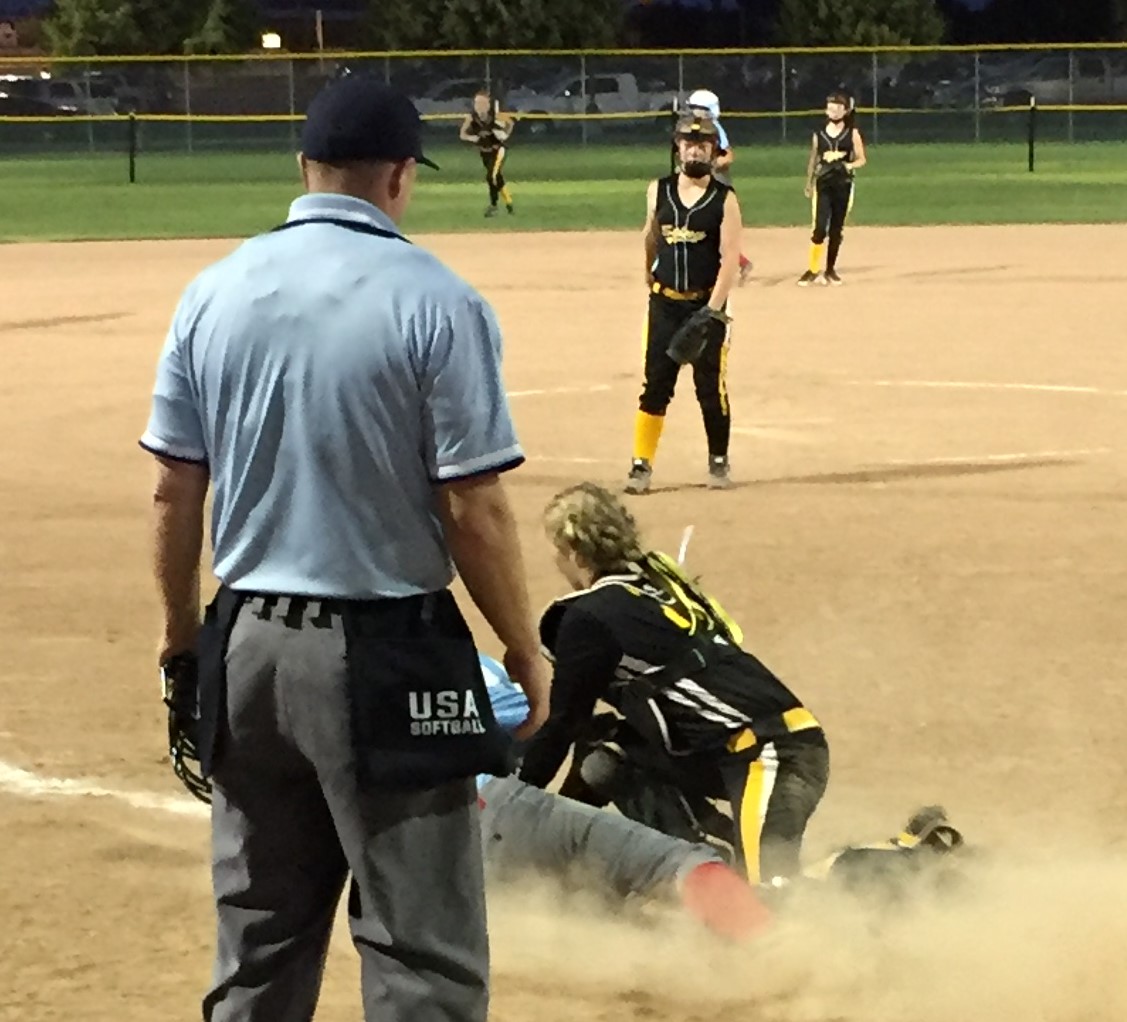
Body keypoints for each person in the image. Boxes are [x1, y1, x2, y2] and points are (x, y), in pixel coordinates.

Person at [140, 73, 549, 1022]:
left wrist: (181, 642)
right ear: (401, 175)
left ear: (304, 168)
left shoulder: (212, 291)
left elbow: (172, 488)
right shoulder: (436, 299)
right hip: (387, 647)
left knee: (259, 944)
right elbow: (473, 507)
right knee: (421, 950)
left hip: (243, 642)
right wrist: (523, 648)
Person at [518, 482, 830, 888]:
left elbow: (562, 723)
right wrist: (556, 829)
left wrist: (518, 803)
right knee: (607, 754)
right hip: (738, 748)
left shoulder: (589, 617)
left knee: (770, 894)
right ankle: (708, 852)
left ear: (573, 550)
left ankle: (904, 855)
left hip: (773, 751)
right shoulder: (659, 588)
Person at [475, 653, 773, 942]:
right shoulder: (469, 666)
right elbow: (543, 717)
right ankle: (768, 940)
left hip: (443, 858)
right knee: (676, 862)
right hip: (490, 808)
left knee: (583, 902)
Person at [628, 111, 743, 496]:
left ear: (713, 152)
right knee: (656, 385)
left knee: (710, 387)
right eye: (688, 143)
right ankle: (641, 464)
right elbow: (650, 235)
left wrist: (713, 309)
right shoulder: (657, 190)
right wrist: (648, 274)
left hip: (705, 305)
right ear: (677, 148)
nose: (695, 149)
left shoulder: (724, 199)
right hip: (664, 303)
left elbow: (730, 259)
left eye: (703, 144)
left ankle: (718, 459)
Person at [798, 90, 867, 287]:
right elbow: (814, 158)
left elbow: (862, 159)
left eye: (838, 108)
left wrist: (848, 165)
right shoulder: (819, 133)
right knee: (820, 228)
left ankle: (830, 270)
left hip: (843, 185)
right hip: (824, 184)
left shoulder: (852, 133)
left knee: (836, 229)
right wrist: (809, 182)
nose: (833, 111)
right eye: (830, 107)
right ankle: (812, 270)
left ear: (845, 111)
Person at [685, 89, 753, 285]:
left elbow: (728, 156)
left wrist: (710, 165)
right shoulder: (694, 128)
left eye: (697, 109)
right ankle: (739, 263)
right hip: (700, 181)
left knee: (712, 227)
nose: (693, 112)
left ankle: (736, 263)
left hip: (717, 181)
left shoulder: (714, 128)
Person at [459, 89, 515, 218]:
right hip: (484, 152)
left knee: (492, 176)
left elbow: (511, 123)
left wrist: (505, 135)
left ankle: (493, 206)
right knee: (497, 178)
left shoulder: (495, 115)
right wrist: (471, 138)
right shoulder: (471, 118)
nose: (479, 106)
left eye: (483, 103)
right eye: (477, 103)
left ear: (489, 104)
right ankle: (509, 204)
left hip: (498, 150)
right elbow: (462, 134)